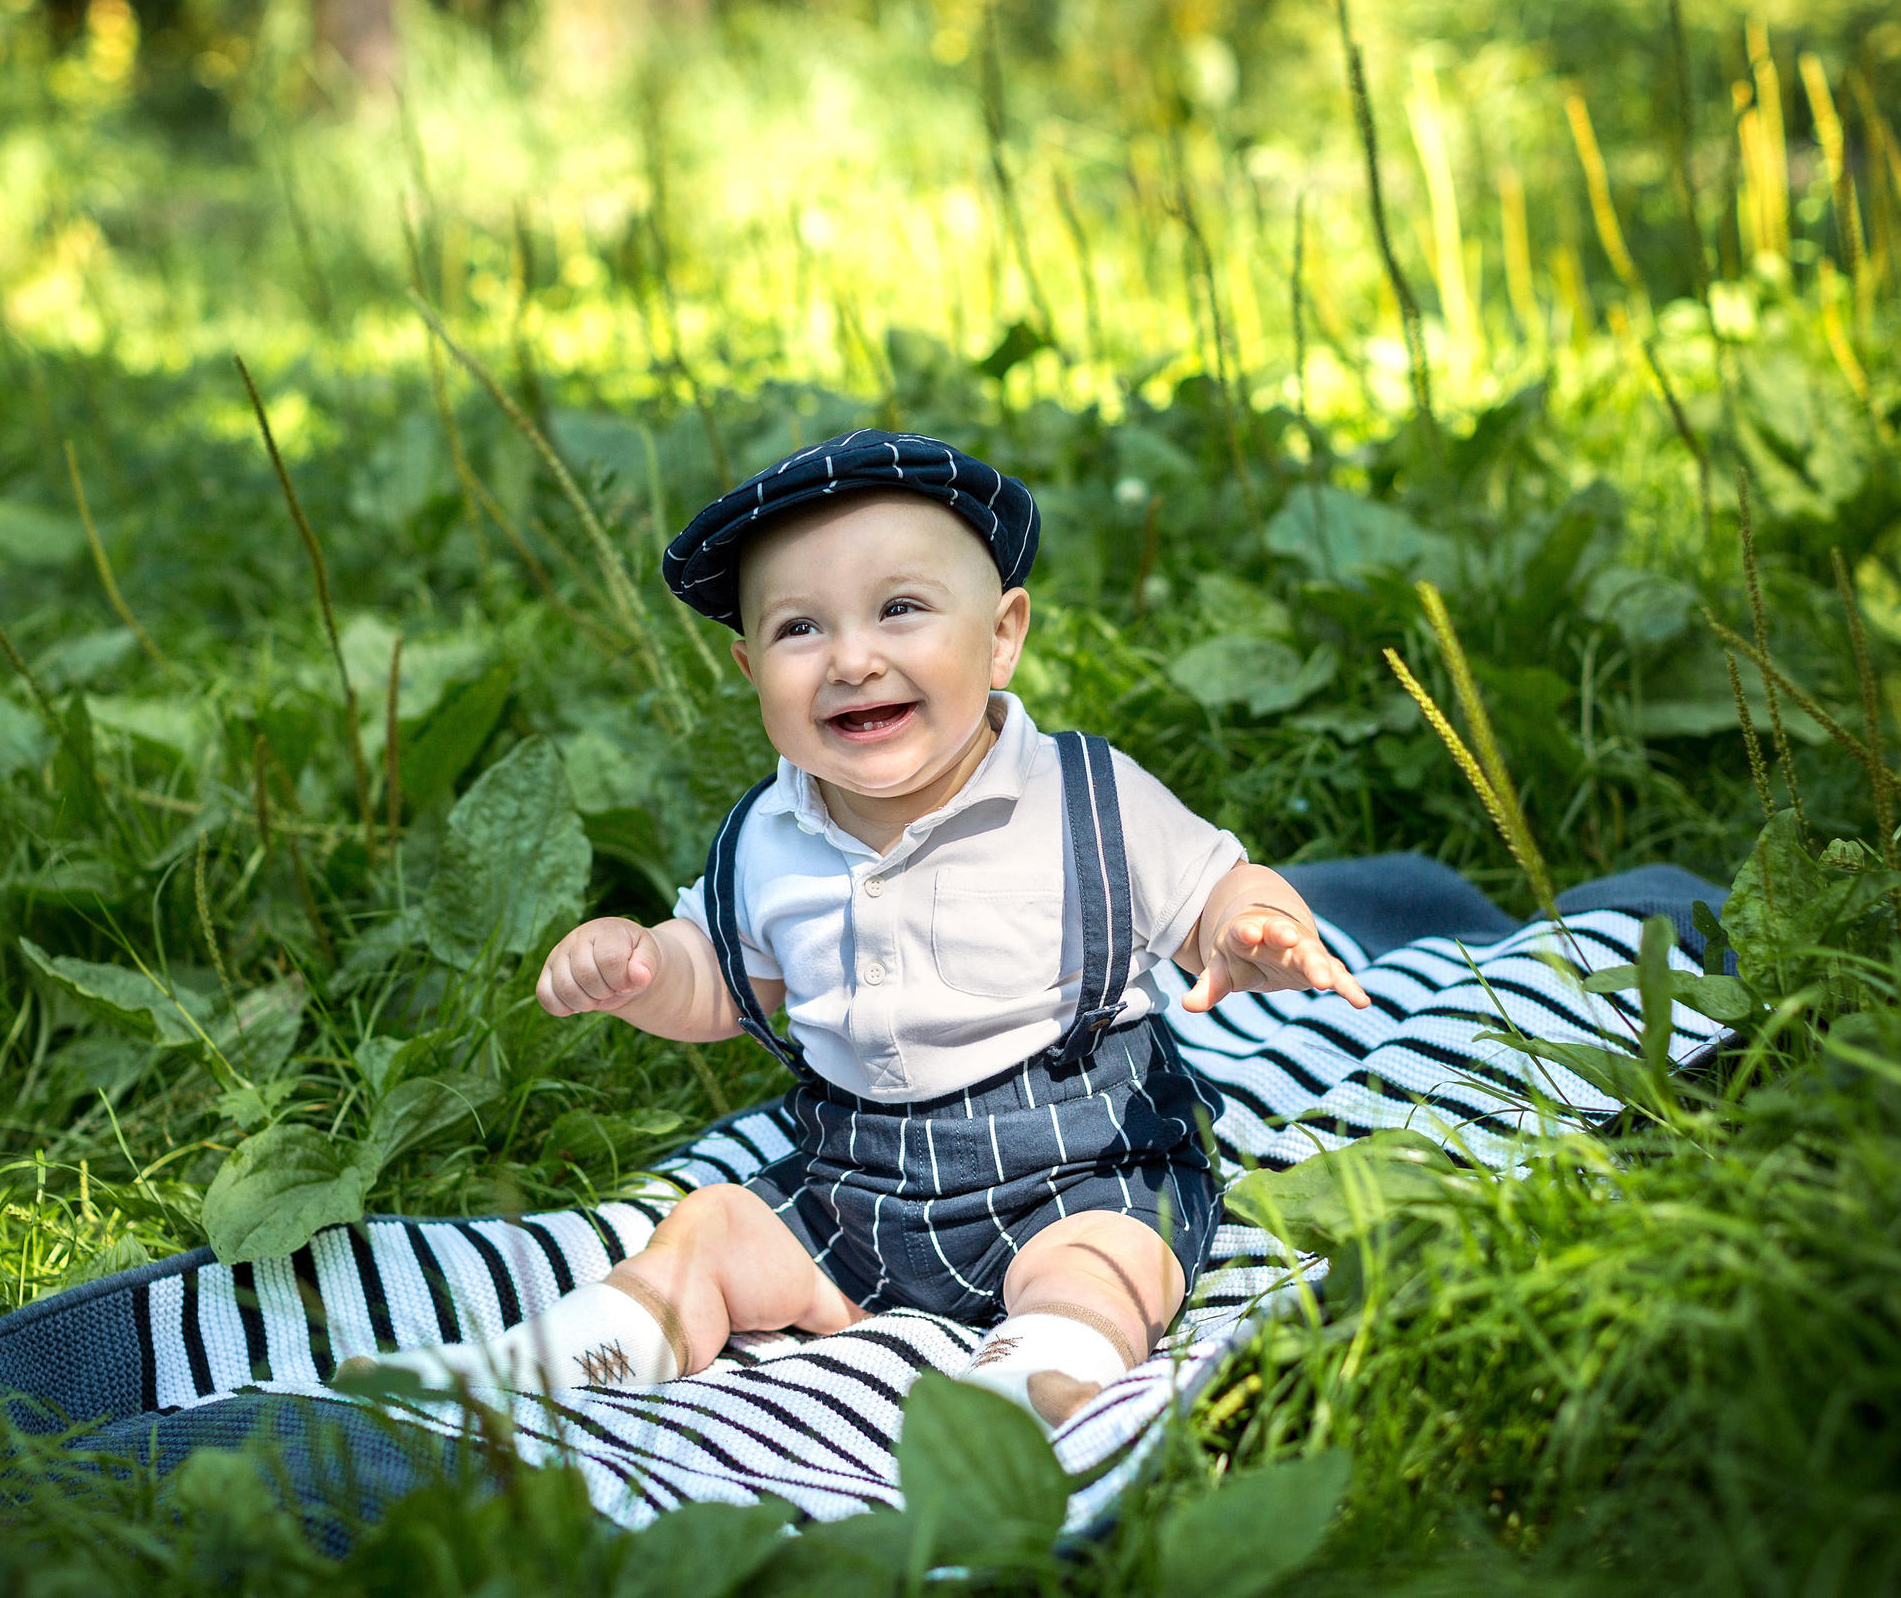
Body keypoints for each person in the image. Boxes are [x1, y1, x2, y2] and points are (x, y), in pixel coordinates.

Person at [336, 430, 1370, 1429]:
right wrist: (646, 966)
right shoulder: (765, 835)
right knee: (706, 1228)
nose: (852, 658)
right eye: (799, 629)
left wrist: (1252, 925)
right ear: (749, 673)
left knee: (1106, 1259)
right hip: (852, 1200)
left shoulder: (1085, 797)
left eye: (901, 609)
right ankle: (558, 1359)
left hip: (1080, 1168)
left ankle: (1034, 1382)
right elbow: (724, 984)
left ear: (1003, 633)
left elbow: (1213, 888)